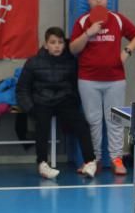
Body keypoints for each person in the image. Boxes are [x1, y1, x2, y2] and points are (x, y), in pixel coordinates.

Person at [69, 0, 135, 176]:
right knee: (93, 120)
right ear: (88, 0)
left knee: (115, 121)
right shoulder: (82, 21)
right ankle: (93, 160)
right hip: (88, 79)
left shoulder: (117, 19)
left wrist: (127, 51)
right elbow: (73, 49)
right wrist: (88, 33)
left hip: (115, 79)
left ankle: (116, 159)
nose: (98, 1)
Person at [16, 27, 97, 179]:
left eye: (60, 42)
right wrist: (30, 108)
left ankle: (90, 162)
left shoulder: (71, 62)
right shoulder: (33, 62)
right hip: (41, 101)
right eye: (53, 42)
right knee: (41, 126)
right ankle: (42, 164)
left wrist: (73, 100)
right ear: (46, 45)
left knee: (81, 124)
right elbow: (22, 89)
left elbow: (75, 86)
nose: (57, 46)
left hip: (64, 100)